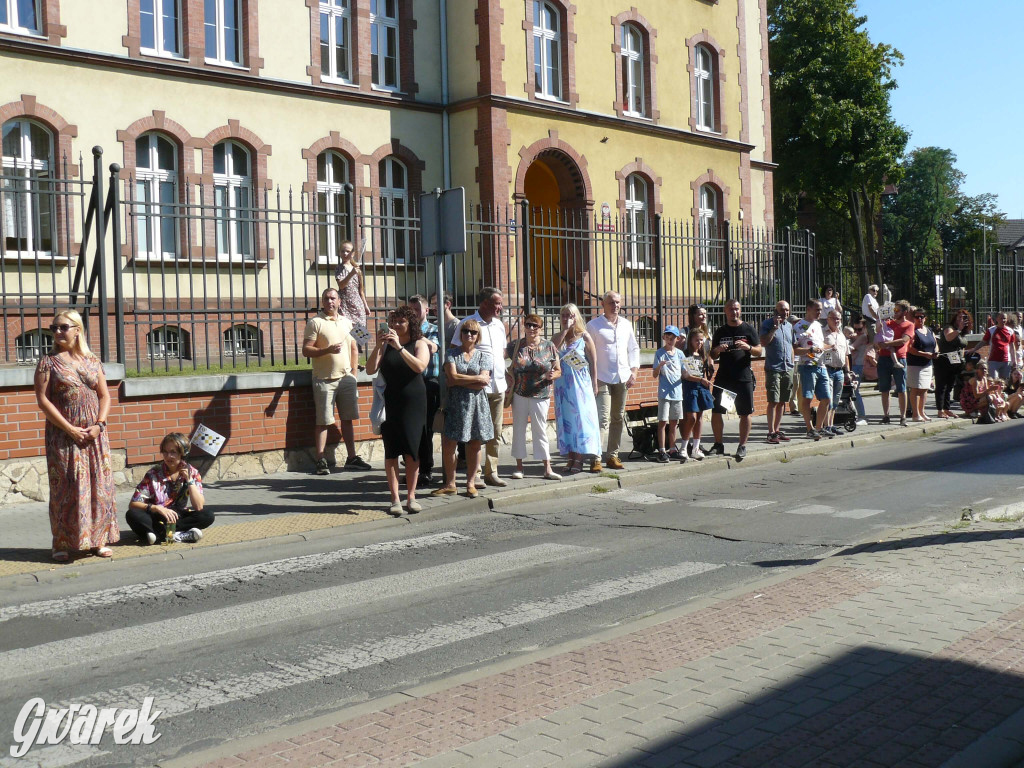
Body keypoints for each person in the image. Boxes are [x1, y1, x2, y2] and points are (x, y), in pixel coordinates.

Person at [34, 310, 119, 562]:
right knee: (67, 488)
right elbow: (43, 400)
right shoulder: (47, 362)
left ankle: (98, 540)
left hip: (94, 435)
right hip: (63, 435)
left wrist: (99, 425)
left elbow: (105, 395)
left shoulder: (92, 360)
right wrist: (69, 429)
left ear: (77, 330)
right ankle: (61, 543)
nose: (58, 332)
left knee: (99, 486)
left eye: (63, 327)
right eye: (54, 327)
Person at [366, 305, 430, 515]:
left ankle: (411, 497)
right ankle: (395, 499)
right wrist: (378, 346)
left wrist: (400, 348)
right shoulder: (386, 346)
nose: (395, 325)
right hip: (391, 402)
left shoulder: (419, 343)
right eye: (393, 321)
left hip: (414, 403)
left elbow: (420, 367)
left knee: (412, 451)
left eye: (400, 321)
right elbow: (370, 369)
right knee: (391, 451)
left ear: (410, 323)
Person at [302, 288, 372, 474]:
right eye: (326, 298)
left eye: (333, 298)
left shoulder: (348, 322)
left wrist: (354, 375)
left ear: (339, 301)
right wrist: (327, 350)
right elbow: (306, 350)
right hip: (324, 379)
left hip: (347, 379)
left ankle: (352, 458)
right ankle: (320, 460)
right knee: (323, 421)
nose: (330, 301)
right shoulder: (314, 322)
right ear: (322, 301)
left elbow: (361, 343)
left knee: (348, 419)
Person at [451, 287, 509, 486]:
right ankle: (473, 475)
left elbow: (501, 354)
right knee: (474, 433)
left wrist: (506, 375)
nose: (500, 307)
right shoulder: (468, 324)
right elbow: (455, 352)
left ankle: (491, 472)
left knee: (496, 431)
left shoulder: (500, 326)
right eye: (497, 303)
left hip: (498, 386)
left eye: (501, 303)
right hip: (477, 390)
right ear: (484, 303)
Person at [432, 319, 494, 497]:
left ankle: (471, 483)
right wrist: (476, 379)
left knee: (475, 443)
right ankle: (450, 484)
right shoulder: (451, 353)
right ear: (461, 334)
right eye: (466, 331)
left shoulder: (484, 356)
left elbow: (483, 383)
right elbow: (451, 379)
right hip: (456, 404)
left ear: (478, 336)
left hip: (477, 405)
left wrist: (461, 379)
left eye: (473, 332)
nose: (469, 334)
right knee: (449, 443)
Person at [587, 291, 641, 470]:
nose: (615, 306)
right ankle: (596, 458)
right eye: (611, 302)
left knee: (617, 417)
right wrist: (591, 378)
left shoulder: (626, 325)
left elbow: (633, 348)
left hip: (622, 377)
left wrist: (634, 371)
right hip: (601, 377)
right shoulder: (594, 326)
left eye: (618, 302)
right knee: (602, 418)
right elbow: (587, 353)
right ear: (603, 304)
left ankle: (613, 456)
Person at [126, 432, 212, 545]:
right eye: (165, 452)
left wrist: (189, 481)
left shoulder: (193, 473)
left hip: (178, 517)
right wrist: (156, 508)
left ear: (183, 454)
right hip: (156, 516)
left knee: (207, 515)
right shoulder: (153, 474)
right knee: (132, 515)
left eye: (173, 452)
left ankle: (159, 534)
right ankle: (178, 535)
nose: (168, 456)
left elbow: (199, 506)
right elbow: (133, 504)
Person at [506, 314, 562, 479]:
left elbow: (558, 369)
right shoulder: (516, 346)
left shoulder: (549, 346)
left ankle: (547, 468)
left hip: (541, 393)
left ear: (540, 328)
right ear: (524, 326)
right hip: (520, 393)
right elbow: (498, 357)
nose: (531, 328)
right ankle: (519, 467)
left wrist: (553, 375)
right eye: (528, 325)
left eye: (534, 326)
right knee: (518, 429)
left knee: (540, 430)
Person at [551, 303, 602, 474]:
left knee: (580, 421)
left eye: (570, 315)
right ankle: (571, 456)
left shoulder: (584, 336)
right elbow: (551, 351)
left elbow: (593, 362)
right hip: (562, 386)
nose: (567, 318)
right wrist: (565, 331)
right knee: (567, 422)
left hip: (580, 385)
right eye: (564, 315)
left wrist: (595, 383)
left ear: (577, 317)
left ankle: (579, 458)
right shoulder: (559, 336)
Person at [708, 298, 762, 460]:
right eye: (731, 309)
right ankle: (718, 445)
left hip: (743, 378)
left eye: (737, 309)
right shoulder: (720, 331)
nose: (734, 312)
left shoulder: (748, 329)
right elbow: (712, 354)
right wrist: (717, 349)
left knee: (745, 413)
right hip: (724, 379)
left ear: (740, 310)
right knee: (717, 411)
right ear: (725, 311)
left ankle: (742, 446)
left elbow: (759, 351)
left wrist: (749, 348)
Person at [410, 295, 440, 486]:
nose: (414, 313)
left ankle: (426, 469)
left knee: (426, 429)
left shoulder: (433, 329)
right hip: (409, 385)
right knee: (411, 430)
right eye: (410, 309)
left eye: (417, 309)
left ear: (426, 311)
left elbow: (434, 348)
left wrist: (417, 336)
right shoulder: (403, 330)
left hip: (428, 383)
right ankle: (413, 469)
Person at [793, 299, 832, 440]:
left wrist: (829, 347)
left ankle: (819, 428)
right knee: (807, 398)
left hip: (821, 365)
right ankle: (809, 429)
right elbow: (795, 350)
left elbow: (820, 344)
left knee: (826, 399)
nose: (820, 312)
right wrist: (810, 350)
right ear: (808, 309)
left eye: (820, 310)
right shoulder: (799, 326)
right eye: (817, 309)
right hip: (808, 366)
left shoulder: (818, 325)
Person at [759, 300, 795, 444]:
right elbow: (763, 342)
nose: (785, 313)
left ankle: (777, 429)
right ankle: (770, 432)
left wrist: (792, 363)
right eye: (782, 310)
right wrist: (774, 328)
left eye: (787, 310)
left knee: (782, 401)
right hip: (774, 367)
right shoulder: (767, 324)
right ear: (776, 311)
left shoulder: (789, 326)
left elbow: (791, 345)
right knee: (773, 400)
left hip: (787, 368)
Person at [876, 299, 914, 426]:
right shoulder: (888, 322)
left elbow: (904, 340)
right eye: (894, 309)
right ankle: (886, 415)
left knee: (901, 388)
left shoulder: (909, 325)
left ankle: (902, 416)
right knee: (884, 388)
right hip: (883, 357)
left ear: (905, 312)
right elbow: (879, 332)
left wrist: (886, 344)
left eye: (897, 310)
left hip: (900, 357)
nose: (895, 312)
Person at [679, 328, 714, 463]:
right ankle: (684, 447)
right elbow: (686, 375)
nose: (699, 342)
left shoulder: (702, 354)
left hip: (701, 388)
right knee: (691, 417)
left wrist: (706, 379)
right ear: (690, 340)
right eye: (696, 340)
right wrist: (700, 380)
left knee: (699, 417)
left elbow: (704, 372)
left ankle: (696, 448)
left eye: (701, 340)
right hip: (690, 388)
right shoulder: (686, 354)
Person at [652, 326, 685, 461]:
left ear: (677, 339)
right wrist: (660, 366)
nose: (670, 340)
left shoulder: (680, 354)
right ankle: (661, 450)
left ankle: (672, 448)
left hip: (677, 393)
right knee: (663, 422)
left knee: (674, 422)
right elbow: (654, 374)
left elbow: (685, 372)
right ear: (664, 337)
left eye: (673, 338)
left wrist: (697, 377)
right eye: (668, 337)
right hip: (664, 393)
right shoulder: (659, 353)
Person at [934, 309, 970, 419]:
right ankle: (940, 410)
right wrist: (959, 329)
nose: (961, 319)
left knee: (950, 386)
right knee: (942, 386)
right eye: (959, 317)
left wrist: (962, 357)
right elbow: (948, 337)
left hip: (955, 361)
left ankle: (947, 409)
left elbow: (962, 346)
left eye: (964, 317)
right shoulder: (949, 328)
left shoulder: (962, 332)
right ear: (954, 318)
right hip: (944, 360)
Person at [822, 309, 851, 435]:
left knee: (835, 400)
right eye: (834, 318)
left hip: (839, 371)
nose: (837, 321)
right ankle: (825, 426)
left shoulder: (841, 335)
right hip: (827, 369)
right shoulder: (823, 332)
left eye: (838, 318)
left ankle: (831, 425)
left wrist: (848, 372)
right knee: (827, 399)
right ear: (828, 319)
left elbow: (846, 355)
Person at [906, 308, 937, 422]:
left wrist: (935, 352)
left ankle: (922, 412)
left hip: (928, 364)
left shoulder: (929, 330)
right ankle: (915, 414)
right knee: (915, 389)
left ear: (925, 318)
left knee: (924, 389)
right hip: (915, 364)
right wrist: (924, 354)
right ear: (913, 318)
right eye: (917, 317)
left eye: (922, 316)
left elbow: (935, 343)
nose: (920, 319)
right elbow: (909, 348)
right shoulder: (913, 330)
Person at [334, 240, 370, 334]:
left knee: (360, 337)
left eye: (348, 251)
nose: (345, 253)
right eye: (342, 251)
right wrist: (351, 274)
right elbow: (341, 285)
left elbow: (361, 290)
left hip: (357, 305)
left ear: (352, 253)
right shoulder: (339, 268)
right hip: (345, 306)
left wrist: (365, 306)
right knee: (347, 333)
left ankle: (359, 349)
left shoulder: (356, 269)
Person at [970, 311, 1017, 381]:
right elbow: (983, 342)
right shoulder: (991, 330)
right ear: (997, 319)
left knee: (1005, 382)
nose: (1003, 320)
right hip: (993, 360)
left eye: (1005, 318)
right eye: (1001, 318)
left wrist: (1014, 360)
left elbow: (1012, 346)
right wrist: (974, 349)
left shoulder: (1010, 331)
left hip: (1006, 360)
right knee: (993, 380)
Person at [849, 318, 871, 425]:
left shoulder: (863, 337)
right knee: (850, 391)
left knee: (855, 391)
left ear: (865, 328)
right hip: (853, 365)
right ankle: (852, 414)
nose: (857, 331)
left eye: (860, 329)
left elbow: (851, 348)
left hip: (858, 365)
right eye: (855, 329)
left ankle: (862, 416)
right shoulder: (857, 336)